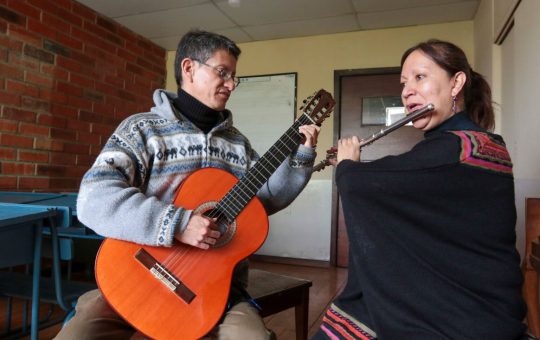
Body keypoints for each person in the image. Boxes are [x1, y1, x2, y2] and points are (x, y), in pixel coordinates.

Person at [56, 29, 320, 339]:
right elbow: (93, 200)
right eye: (223, 72)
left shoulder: (238, 145)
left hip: (217, 291)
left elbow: (265, 201)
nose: (231, 84)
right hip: (137, 276)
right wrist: (178, 223)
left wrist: (302, 155)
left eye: (235, 77)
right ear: (188, 68)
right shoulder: (142, 129)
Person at [314, 39, 528, 339]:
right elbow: (407, 177)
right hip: (483, 308)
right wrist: (357, 168)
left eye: (420, 77)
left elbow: (372, 183)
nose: (406, 91)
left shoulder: (463, 147)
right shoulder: (477, 143)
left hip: (462, 314)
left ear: (457, 83)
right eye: (403, 82)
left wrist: (350, 167)